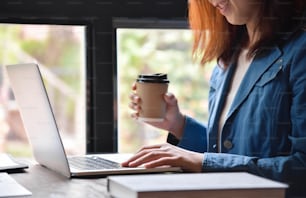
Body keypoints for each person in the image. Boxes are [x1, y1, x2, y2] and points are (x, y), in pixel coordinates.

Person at [122, 0, 306, 197]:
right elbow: (229, 153)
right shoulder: (228, 59)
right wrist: (180, 126)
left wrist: (202, 163)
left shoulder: (299, 52)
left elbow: (301, 170)